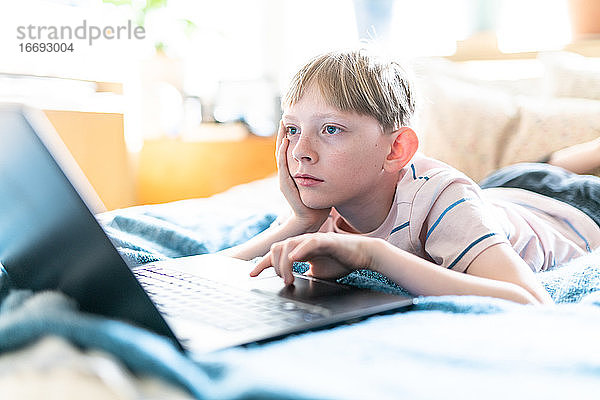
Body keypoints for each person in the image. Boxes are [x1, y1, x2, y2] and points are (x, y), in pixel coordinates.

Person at [219, 49, 600, 305]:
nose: (301, 150)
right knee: (535, 169)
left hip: (573, 206)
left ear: (396, 149)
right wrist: (300, 221)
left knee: (551, 171)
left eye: (331, 129)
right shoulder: (329, 197)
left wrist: (374, 255)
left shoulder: (443, 199)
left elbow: (528, 300)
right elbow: (203, 277)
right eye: (292, 129)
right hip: (499, 192)